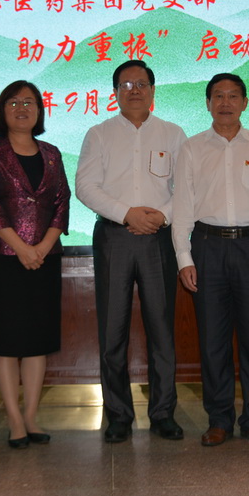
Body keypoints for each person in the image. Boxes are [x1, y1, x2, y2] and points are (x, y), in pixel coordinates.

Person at [172, 73, 249, 447]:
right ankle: (219, 419)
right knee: (213, 340)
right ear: (208, 103)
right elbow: (182, 207)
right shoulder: (191, 148)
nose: (225, 102)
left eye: (233, 96)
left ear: (245, 102)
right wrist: (184, 258)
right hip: (208, 248)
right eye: (218, 96)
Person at [75, 60, 187, 444]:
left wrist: (161, 216)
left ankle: (163, 413)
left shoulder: (173, 133)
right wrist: (127, 214)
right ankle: (119, 415)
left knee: (162, 329)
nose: (134, 90)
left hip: (159, 238)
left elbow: (187, 187)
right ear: (115, 93)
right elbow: (85, 187)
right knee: (113, 330)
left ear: (153, 91)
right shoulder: (99, 134)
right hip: (114, 237)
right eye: (126, 84)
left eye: (141, 84)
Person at [0, 80, 70, 449]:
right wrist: (21, 248)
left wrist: (42, 247)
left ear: (40, 111)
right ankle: (14, 420)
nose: (22, 108)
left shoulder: (51, 153)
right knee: (6, 342)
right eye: (13, 102)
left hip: (44, 258)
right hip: (4, 257)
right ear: (2, 109)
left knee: (36, 342)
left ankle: (31, 416)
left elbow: (61, 201)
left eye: (29, 102)